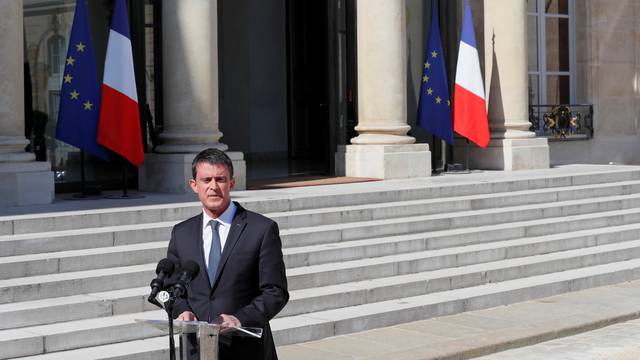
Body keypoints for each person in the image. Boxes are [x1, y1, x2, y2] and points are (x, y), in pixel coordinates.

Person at [167, 148, 289, 359]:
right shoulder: (182, 233)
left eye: (220, 179)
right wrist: (180, 309)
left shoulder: (261, 229)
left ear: (231, 183)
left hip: (245, 348)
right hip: (197, 349)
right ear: (194, 185)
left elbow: (275, 291)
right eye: (206, 180)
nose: (213, 186)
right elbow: (172, 287)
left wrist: (240, 319)